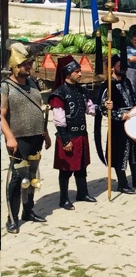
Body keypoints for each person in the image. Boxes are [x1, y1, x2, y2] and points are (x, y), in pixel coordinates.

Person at [1, 46, 50, 232]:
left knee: (32, 176)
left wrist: (45, 133)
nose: (29, 67)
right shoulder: (6, 86)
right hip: (18, 139)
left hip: (36, 137)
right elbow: (1, 115)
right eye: (25, 64)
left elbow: (39, 107)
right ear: (15, 66)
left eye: (29, 63)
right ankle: (12, 218)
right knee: (17, 178)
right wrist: (9, 137)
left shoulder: (32, 82)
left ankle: (28, 211)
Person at [49, 56, 104, 210]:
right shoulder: (59, 94)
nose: (80, 74)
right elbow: (59, 120)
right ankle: (64, 199)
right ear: (68, 73)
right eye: (77, 71)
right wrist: (65, 140)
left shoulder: (81, 90)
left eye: (79, 71)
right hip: (68, 137)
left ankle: (82, 193)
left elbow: (90, 109)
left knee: (81, 166)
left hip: (81, 135)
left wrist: (103, 106)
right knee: (66, 170)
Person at [96, 55, 136, 194]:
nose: (123, 69)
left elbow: (133, 97)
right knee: (119, 154)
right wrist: (119, 115)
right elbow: (102, 109)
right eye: (120, 66)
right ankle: (122, 183)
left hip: (132, 122)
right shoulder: (107, 85)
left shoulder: (126, 81)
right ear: (113, 67)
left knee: (134, 152)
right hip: (118, 125)